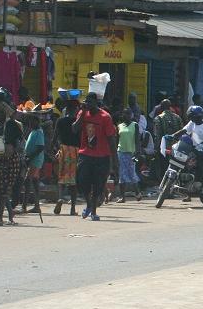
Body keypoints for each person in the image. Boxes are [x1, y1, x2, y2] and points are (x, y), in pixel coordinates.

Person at [72, 92, 118, 222]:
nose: (88, 104)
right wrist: (82, 114)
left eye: (90, 102)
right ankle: (88, 204)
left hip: (102, 156)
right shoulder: (82, 113)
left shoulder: (105, 117)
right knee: (82, 181)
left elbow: (111, 140)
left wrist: (115, 162)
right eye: (86, 102)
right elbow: (74, 129)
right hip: (85, 154)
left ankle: (93, 211)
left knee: (98, 185)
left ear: (96, 103)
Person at [0, 89, 24, 225]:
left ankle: (0, 218)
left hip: (11, 161)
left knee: (5, 190)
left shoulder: (12, 125)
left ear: (4, 111)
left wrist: (13, 148)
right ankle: (8, 214)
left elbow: (20, 143)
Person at [170, 106, 203, 203]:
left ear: (197, 116)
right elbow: (184, 130)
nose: (190, 118)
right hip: (193, 151)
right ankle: (185, 189)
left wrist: (201, 147)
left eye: (191, 116)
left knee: (201, 173)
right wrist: (173, 136)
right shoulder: (192, 123)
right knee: (182, 163)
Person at [53, 98, 80, 215]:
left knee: (61, 177)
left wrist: (56, 149)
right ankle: (73, 208)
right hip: (75, 151)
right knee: (73, 180)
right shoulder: (78, 122)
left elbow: (54, 139)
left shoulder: (60, 121)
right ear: (76, 109)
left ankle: (60, 197)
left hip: (63, 150)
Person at [115, 109, 142, 203]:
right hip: (121, 152)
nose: (126, 115)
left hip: (131, 153)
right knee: (122, 174)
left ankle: (137, 192)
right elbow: (116, 140)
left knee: (132, 173)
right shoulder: (119, 126)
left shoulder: (135, 125)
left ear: (131, 115)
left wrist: (138, 152)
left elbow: (137, 140)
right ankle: (122, 197)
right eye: (124, 113)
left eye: (128, 114)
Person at [22, 114, 45, 214]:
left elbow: (40, 147)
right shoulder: (33, 131)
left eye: (32, 121)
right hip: (32, 160)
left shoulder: (39, 132)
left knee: (28, 181)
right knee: (34, 182)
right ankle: (36, 205)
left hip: (35, 160)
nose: (30, 123)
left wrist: (29, 157)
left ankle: (24, 206)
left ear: (37, 121)